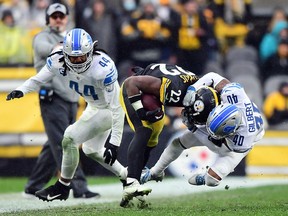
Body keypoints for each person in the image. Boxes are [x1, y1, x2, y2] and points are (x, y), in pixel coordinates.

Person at [6, 28, 127, 201]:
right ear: (65, 53)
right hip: (93, 106)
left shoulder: (102, 67)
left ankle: (62, 186)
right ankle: (128, 177)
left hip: (108, 109)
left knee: (70, 137)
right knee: (91, 150)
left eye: (81, 56)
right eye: (73, 57)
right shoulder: (57, 59)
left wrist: (115, 142)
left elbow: (117, 107)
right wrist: (21, 90)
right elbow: (39, 78)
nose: (77, 61)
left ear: (91, 51)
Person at [19, 3, 98, 199]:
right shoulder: (42, 37)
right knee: (67, 143)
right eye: (53, 16)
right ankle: (79, 188)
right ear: (47, 19)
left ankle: (33, 186)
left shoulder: (71, 37)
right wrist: (77, 47)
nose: (57, 19)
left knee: (53, 146)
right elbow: (51, 49)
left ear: (67, 18)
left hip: (71, 97)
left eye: (61, 16)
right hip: (53, 97)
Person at [118, 63, 220, 207]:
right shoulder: (174, 89)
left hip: (155, 94)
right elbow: (131, 83)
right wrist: (141, 112)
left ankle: (132, 178)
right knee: (144, 130)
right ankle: (131, 183)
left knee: (152, 140)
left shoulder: (201, 89)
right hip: (134, 91)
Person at [140, 72, 265, 188]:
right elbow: (212, 76)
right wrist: (193, 88)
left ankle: (203, 178)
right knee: (178, 142)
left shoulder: (243, 140)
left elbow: (219, 148)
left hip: (237, 145)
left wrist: (193, 128)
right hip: (235, 126)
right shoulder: (233, 93)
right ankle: (155, 172)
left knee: (212, 180)